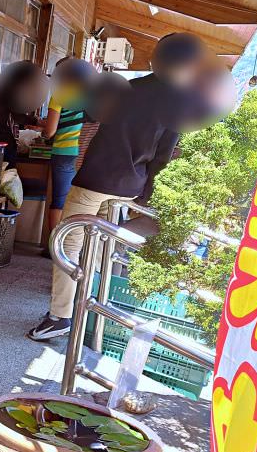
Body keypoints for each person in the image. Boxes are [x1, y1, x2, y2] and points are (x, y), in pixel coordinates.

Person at [27, 32, 209, 341]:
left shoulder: (127, 89)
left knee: (68, 243)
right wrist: (147, 192)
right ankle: (93, 311)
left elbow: (88, 116)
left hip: (96, 178)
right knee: (103, 246)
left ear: (156, 59)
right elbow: (164, 155)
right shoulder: (181, 103)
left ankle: (60, 316)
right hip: (130, 185)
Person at [42, 59, 96, 235]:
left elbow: (50, 131)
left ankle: (54, 245)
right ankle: (72, 244)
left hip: (64, 152)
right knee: (78, 201)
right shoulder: (89, 95)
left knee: (59, 201)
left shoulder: (59, 95)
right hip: (85, 153)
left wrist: (43, 134)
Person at [0, 61, 49, 167]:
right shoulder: (7, 92)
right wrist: (37, 121)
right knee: (6, 172)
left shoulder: (1, 89)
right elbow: (16, 116)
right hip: (2, 143)